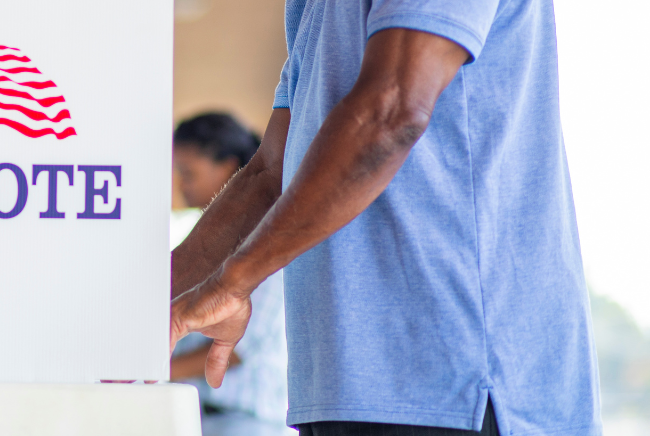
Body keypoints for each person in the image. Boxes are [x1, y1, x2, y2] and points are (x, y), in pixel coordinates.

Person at [168, 1, 599, 435]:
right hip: (339, 385)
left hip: (455, 381)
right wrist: (145, 309)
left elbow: (393, 111)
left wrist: (233, 282)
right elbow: (269, 173)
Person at [169, 113, 293, 435]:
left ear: (227, 169)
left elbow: (240, 346)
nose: (182, 186)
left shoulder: (265, 236)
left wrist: (153, 370)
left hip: (244, 422)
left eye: (188, 173)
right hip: (202, 416)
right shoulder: (199, 244)